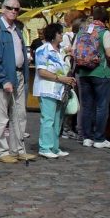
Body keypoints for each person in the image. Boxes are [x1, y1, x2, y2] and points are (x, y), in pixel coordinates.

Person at [0, 0, 33, 163]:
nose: (13, 11)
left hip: (19, 75)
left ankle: (17, 149)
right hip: (4, 78)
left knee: (19, 114)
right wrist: (4, 79)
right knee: (2, 116)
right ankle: (1, 151)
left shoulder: (17, 29)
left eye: (16, 9)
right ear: (3, 8)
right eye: (10, 8)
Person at [75, 6, 110, 150]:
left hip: (83, 73)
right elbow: (109, 54)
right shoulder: (104, 32)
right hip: (100, 73)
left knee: (86, 106)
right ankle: (99, 138)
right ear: (105, 20)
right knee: (101, 106)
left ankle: (87, 138)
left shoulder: (82, 31)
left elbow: (74, 51)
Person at [34, 23, 77, 159]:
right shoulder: (43, 50)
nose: (62, 35)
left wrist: (68, 79)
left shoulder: (61, 51)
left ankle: (54, 147)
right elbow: (41, 71)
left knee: (58, 119)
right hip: (47, 88)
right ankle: (45, 147)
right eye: (60, 33)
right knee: (48, 119)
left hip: (60, 90)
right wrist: (61, 78)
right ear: (53, 35)